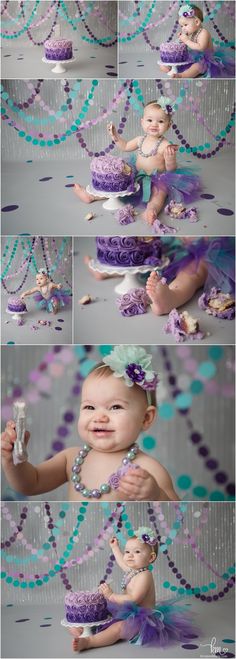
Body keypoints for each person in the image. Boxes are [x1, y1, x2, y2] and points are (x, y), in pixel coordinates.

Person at [1, 345, 179, 502]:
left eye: (115, 406)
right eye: (89, 407)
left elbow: (177, 518)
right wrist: (14, 462)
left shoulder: (148, 470)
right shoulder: (70, 459)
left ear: (146, 418)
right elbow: (31, 483)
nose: (99, 417)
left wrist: (156, 496)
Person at [74, 97, 201, 226]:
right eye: (149, 120)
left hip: (157, 179)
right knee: (118, 187)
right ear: (142, 122)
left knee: (159, 195)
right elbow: (125, 146)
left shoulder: (165, 145)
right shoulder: (140, 139)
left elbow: (171, 170)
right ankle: (92, 196)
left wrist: (170, 159)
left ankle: (152, 210)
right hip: (137, 175)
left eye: (161, 121)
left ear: (168, 125)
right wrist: (116, 137)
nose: (154, 124)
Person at [69, 527, 198, 652]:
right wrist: (115, 548)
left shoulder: (145, 575)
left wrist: (111, 595)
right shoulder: (135, 571)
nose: (130, 556)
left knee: (118, 628)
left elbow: (134, 599)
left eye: (137, 552)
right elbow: (122, 562)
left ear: (151, 557)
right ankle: (83, 629)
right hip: (126, 612)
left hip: (143, 621)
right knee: (103, 614)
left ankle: (89, 642)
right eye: (127, 552)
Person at [160, 3, 235, 79]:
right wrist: (181, 42)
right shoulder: (190, 34)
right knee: (172, 63)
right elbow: (186, 46)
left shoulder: (203, 33)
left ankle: (182, 75)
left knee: (198, 66)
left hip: (206, 60)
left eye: (185, 25)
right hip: (192, 58)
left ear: (197, 22)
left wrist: (186, 40)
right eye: (181, 26)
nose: (183, 28)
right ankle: (170, 69)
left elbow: (201, 47)